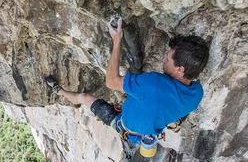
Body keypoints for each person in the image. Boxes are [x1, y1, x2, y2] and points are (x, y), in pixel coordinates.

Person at [45, 18, 209, 154]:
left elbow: (111, 81)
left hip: (122, 124)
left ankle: (59, 91)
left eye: (168, 58)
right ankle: (173, 125)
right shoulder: (197, 93)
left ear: (181, 69)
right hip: (148, 129)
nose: (163, 59)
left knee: (84, 97)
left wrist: (117, 41)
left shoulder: (154, 84)